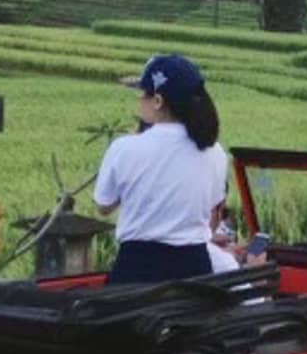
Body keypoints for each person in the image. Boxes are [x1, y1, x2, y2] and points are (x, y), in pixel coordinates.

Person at [94, 54, 228, 284]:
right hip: (195, 272)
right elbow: (212, 205)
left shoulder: (126, 148)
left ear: (157, 101)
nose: (139, 99)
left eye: (143, 93)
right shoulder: (215, 152)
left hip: (137, 270)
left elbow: (103, 205)